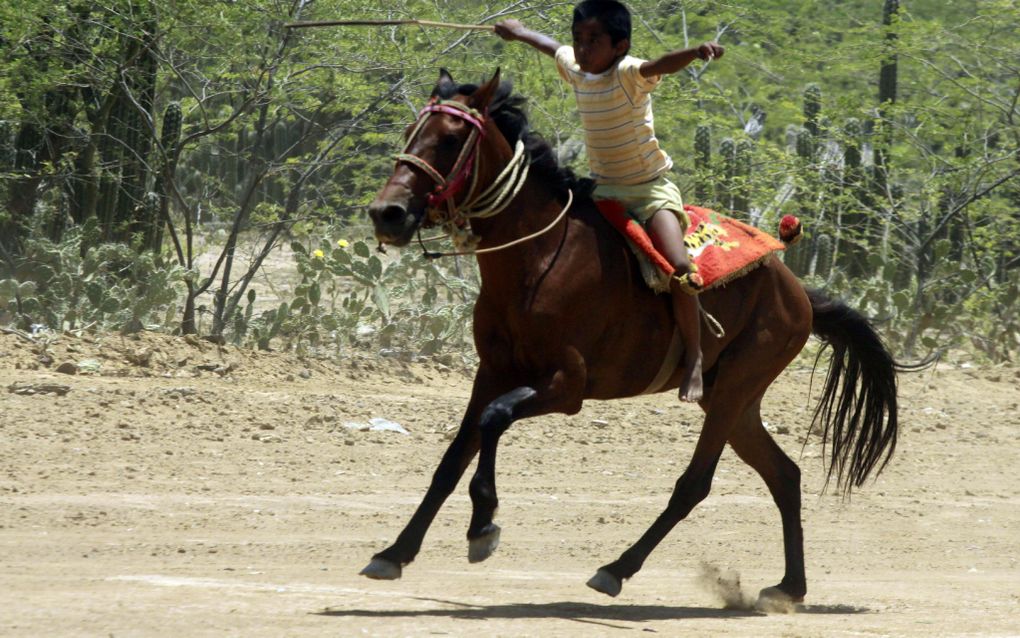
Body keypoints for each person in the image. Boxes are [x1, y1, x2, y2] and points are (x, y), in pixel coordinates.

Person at [494, 0, 723, 402]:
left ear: (620, 46)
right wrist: (518, 32)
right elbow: (551, 47)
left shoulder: (628, 73)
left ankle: (694, 358)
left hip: (649, 190)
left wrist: (694, 53)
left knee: (680, 267)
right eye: (578, 39)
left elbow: (661, 64)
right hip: (603, 189)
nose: (582, 49)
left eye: (594, 40)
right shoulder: (577, 69)